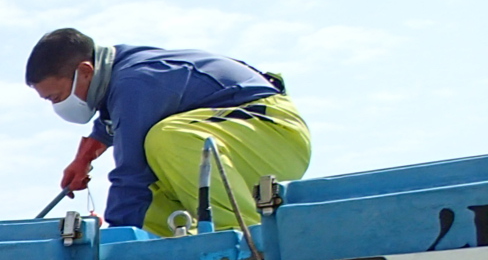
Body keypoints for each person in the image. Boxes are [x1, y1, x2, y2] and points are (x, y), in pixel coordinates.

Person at [25, 28, 311, 237]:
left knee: (166, 140)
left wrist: (115, 241)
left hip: (274, 132)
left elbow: (131, 173)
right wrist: (85, 156)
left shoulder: (137, 81)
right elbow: (117, 122)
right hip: (239, 141)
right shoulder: (118, 73)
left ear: (85, 71)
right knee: (151, 190)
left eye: (55, 97)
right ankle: (171, 247)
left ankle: (238, 235)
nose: (58, 106)